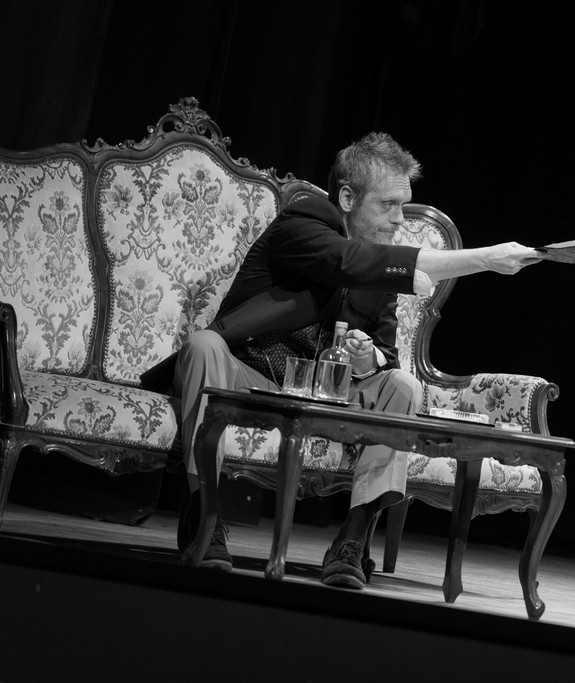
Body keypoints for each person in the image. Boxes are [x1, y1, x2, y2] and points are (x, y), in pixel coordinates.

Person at [141, 132, 541, 590]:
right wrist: (486, 258)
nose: (399, 219)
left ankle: (353, 538)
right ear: (347, 198)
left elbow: (385, 356)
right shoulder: (303, 221)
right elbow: (346, 261)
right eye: (388, 205)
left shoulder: (378, 261)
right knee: (202, 344)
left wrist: (368, 359)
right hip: (250, 378)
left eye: (403, 206)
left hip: (326, 396)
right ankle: (205, 515)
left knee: (403, 386)